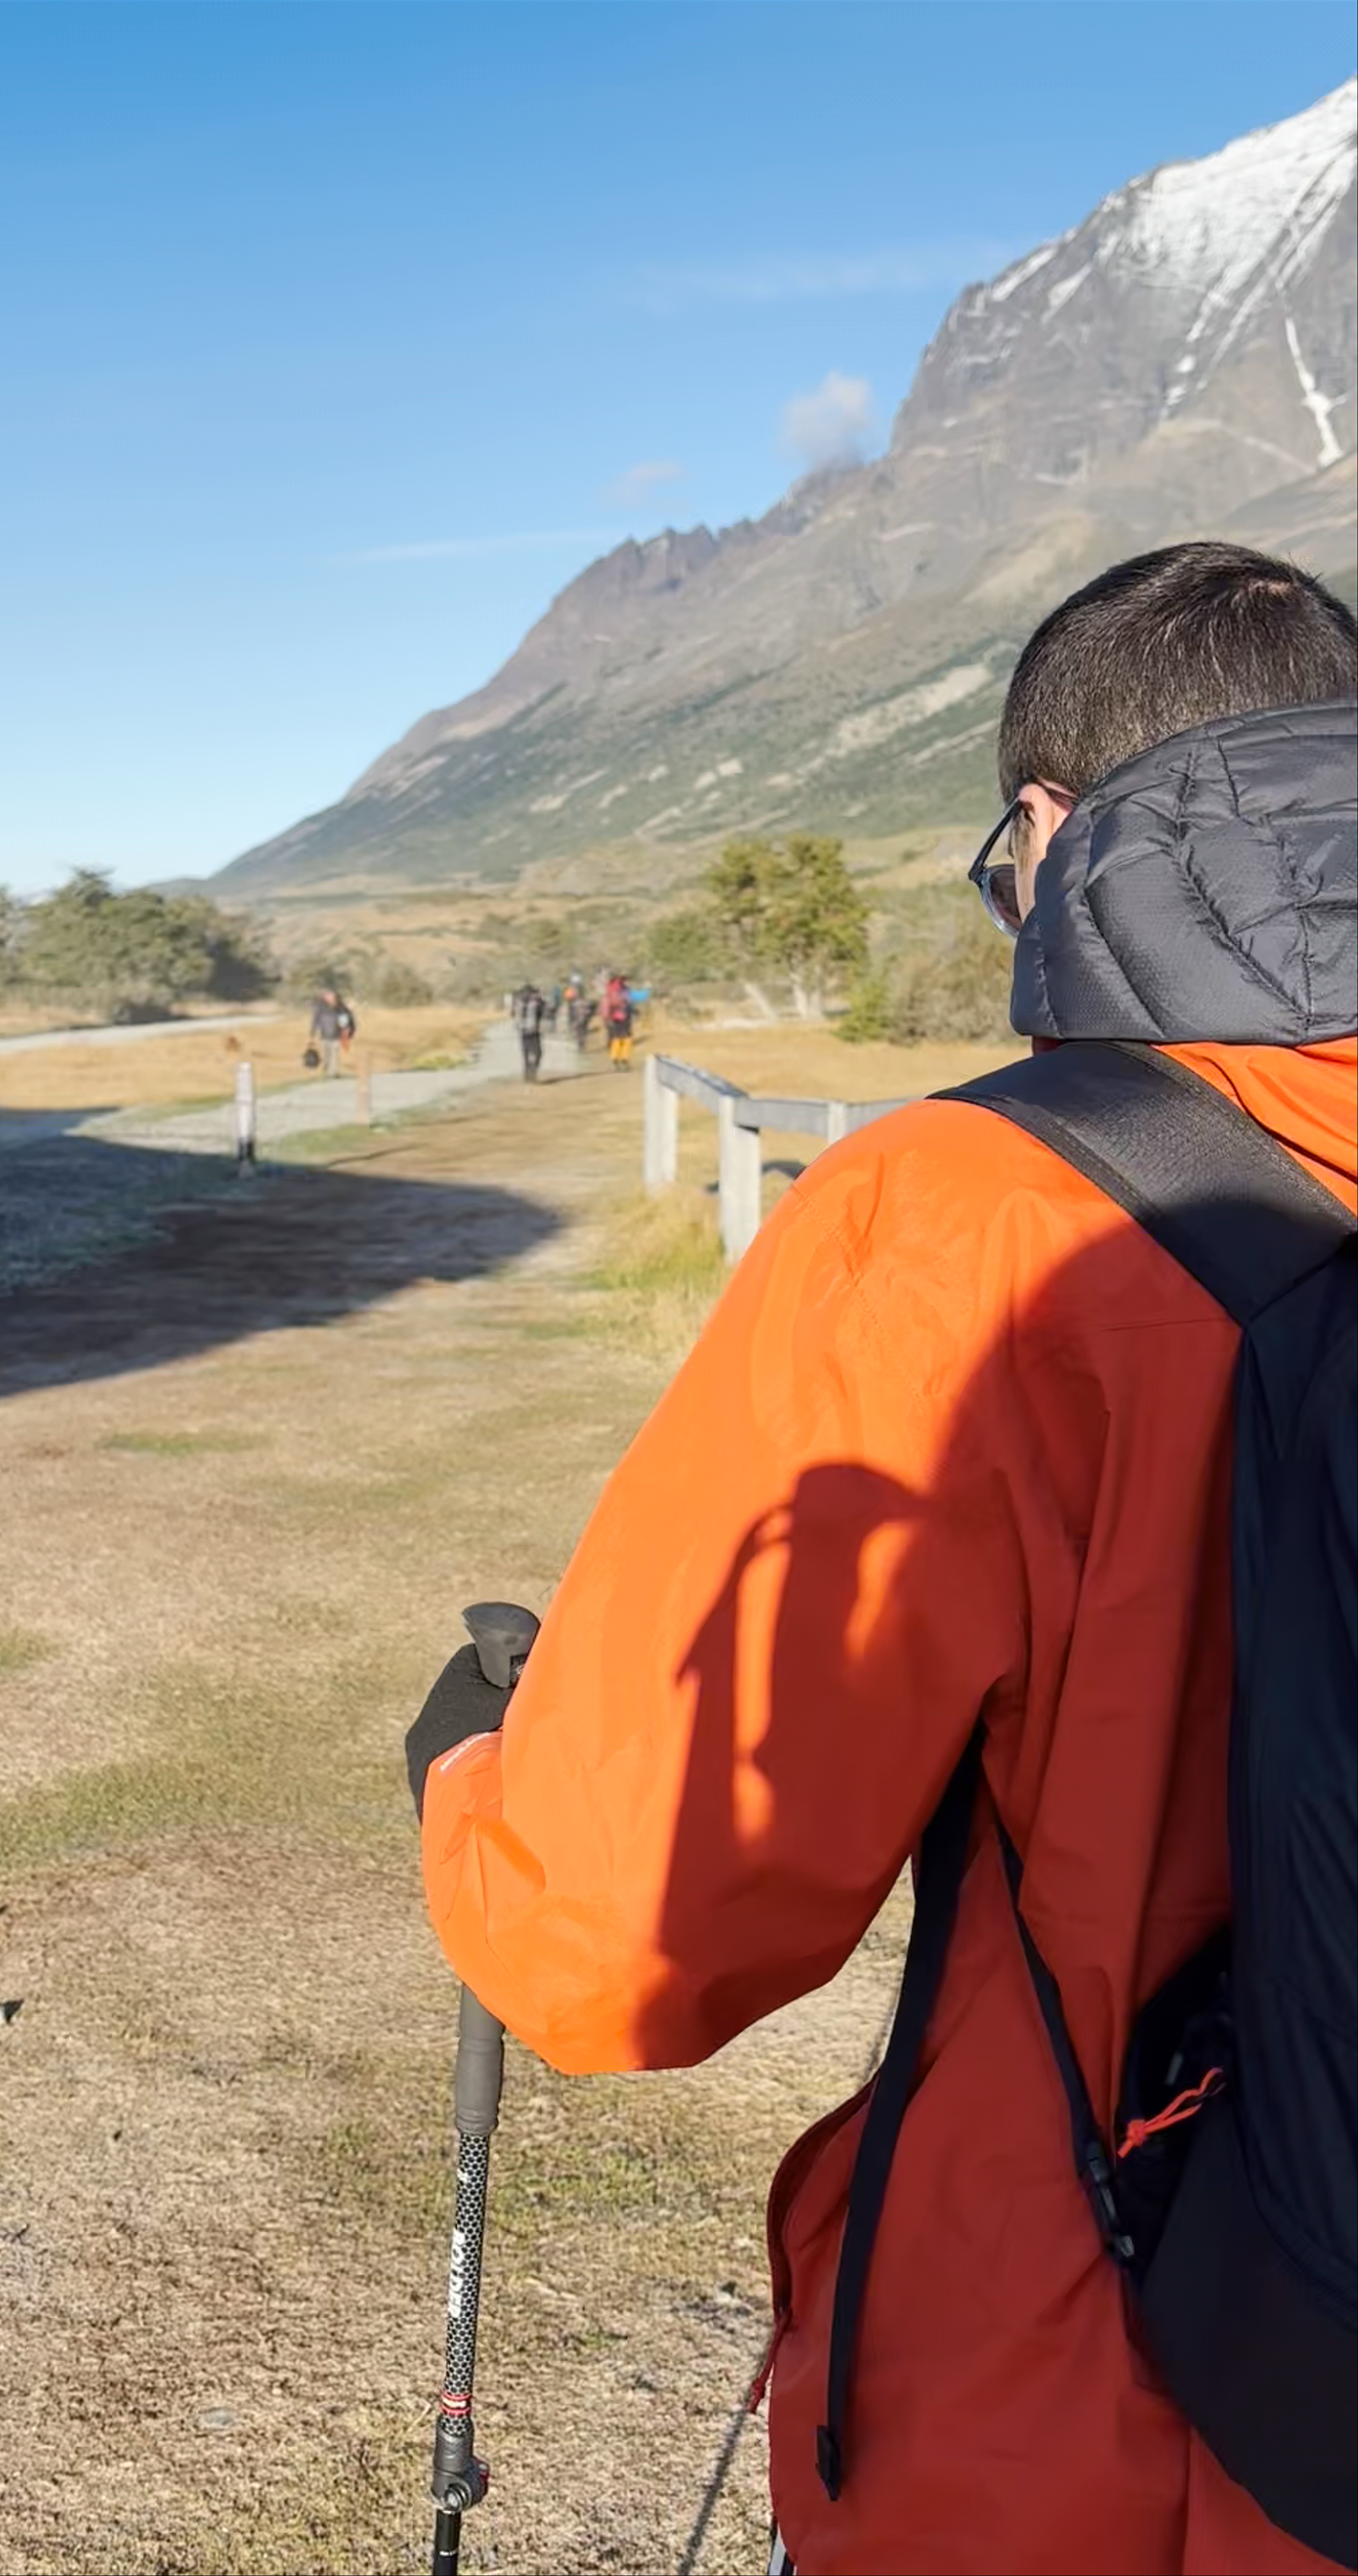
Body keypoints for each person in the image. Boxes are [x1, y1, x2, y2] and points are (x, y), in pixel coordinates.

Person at [408, 545, 1357, 2575]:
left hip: (1133, 2413)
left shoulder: (968, 1217)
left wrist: (465, 1782)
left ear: (1044, 833)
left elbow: (624, 1935)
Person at [511, 980, 547, 1081]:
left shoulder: (518, 1002)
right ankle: (533, 1072)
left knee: (526, 1054)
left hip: (523, 1031)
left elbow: (513, 1014)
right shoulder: (537, 1002)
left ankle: (528, 1074)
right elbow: (544, 1012)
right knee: (538, 1053)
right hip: (534, 1030)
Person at [308, 985, 346, 1077]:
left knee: (335, 1054)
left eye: (332, 996)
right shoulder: (321, 1009)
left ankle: (334, 1072)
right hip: (325, 1036)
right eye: (329, 996)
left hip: (336, 1036)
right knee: (326, 1055)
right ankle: (326, 1071)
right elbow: (315, 1022)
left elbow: (344, 1021)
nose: (331, 998)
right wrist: (312, 1036)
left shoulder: (340, 1008)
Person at [604, 975, 636, 1070]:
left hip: (614, 1018)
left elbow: (607, 1005)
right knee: (626, 1039)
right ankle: (624, 1059)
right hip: (623, 1017)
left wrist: (607, 1018)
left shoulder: (611, 990)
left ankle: (616, 1059)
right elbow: (631, 1001)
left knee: (617, 1038)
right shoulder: (624, 991)